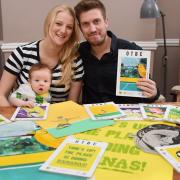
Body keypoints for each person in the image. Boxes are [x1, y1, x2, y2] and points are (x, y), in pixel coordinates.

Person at [74, 0, 160, 104]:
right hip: (92, 117)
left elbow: (148, 93)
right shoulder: (78, 53)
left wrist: (153, 93)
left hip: (127, 116)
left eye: (96, 21)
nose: (92, 29)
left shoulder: (131, 50)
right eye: (86, 24)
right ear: (80, 28)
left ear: (106, 22)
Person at [0, 5, 83, 107]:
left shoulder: (75, 61)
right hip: (23, 118)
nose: (63, 30)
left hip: (58, 119)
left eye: (69, 27)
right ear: (49, 23)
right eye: (58, 23)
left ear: (72, 32)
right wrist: (13, 120)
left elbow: (71, 105)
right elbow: (1, 95)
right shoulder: (22, 53)